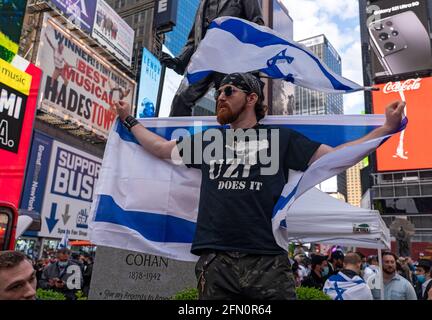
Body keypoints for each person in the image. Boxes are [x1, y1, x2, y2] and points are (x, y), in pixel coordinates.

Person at [113, 72, 405, 300]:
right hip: (216, 261)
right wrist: (128, 119)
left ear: (251, 98)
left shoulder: (281, 139)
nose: (221, 97)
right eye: (218, 93)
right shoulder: (208, 141)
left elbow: (336, 157)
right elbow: (162, 149)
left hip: (267, 260)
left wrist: (386, 129)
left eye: (229, 91)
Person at [160, 0, 265, 117]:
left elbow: (257, 24)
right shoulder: (202, 4)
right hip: (204, 60)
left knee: (229, 104)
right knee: (181, 99)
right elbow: (194, 40)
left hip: (232, 58)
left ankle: (233, 133)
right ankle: (178, 135)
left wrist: (250, 59)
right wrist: (179, 62)